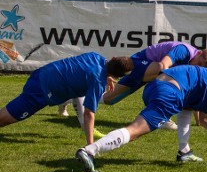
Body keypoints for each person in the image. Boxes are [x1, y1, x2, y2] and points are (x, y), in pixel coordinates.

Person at [74, 65, 207, 172]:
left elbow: (202, 120)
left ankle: (184, 152)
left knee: (184, 108)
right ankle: (90, 150)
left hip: (155, 87)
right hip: (169, 92)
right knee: (135, 130)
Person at [0, 53, 133, 145]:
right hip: (42, 90)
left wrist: (106, 75)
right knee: (5, 119)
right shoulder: (97, 82)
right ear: (117, 76)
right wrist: (91, 146)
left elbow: (86, 70)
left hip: (42, 73)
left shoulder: (96, 56)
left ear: (113, 58)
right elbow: (89, 114)